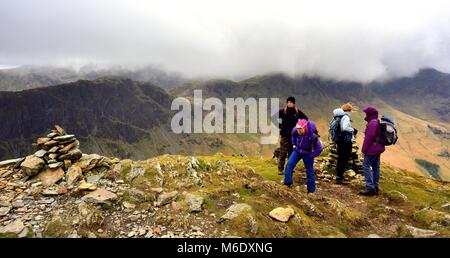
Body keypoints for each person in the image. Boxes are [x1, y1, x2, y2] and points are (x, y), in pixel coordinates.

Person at [283, 119, 323, 193]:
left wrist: (312, 155)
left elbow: (319, 148)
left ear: (304, 128)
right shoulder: (296, 131)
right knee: (289, 164)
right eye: (298, 129)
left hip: (308, 153)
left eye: (300, 130)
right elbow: (293, 137)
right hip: (297, 150)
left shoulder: (312, 136)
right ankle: (287, 183)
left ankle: (311, 191)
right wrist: (294, 144)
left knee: (309, 170)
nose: (299, 131)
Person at [277, 96, 308, 175]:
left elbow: (305, 118)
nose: (289, 104)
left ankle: (290, 168)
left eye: (290, 102)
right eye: (288, 102)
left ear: (294, 103)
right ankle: (280, 169)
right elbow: (274, 118)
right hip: (284, 135)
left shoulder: (297, 112)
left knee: (292, 153)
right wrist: (280, 126)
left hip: (294, 136)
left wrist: (300, 126)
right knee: (283, 152)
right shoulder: (283, 111)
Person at [360, 106, 385, 196]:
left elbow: (368, 138)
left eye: (366, 113)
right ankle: (375, 186)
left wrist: (363, 151)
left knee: (366, 165)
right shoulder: (376, 121)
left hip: (372, 149)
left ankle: (370, 188)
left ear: (370, 114)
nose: (365, 114)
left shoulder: (372, 123)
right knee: (376, 167)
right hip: (378, 148)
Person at [332, 103, 358, 185]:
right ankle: (339, 178)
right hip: (345, 141)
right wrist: (353, 130)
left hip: (339, 140)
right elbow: (344, 128)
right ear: (349, 110)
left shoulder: (337, 117)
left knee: (341, 158)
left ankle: (339, 176)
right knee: (344, 158)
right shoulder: (346, 117)